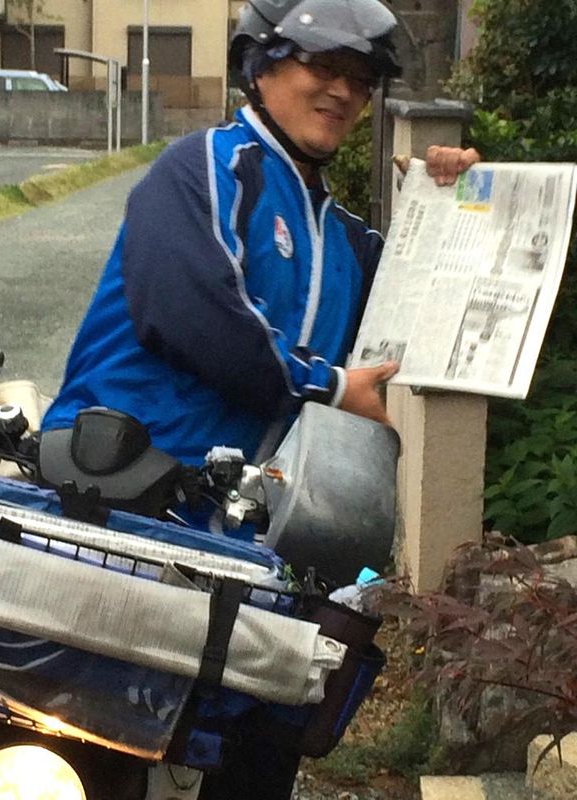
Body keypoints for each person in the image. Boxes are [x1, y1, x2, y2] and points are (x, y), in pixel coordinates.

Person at [43, 1, 479, 793]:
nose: (343, 91)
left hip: (247, 555)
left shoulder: (344, 239)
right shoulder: (204, 169)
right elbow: (194, 316)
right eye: (324, 67)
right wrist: (330, 386)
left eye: (361, 79)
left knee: (251, 769)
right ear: (262, 65)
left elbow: (431, 300)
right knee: (85, 761)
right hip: (119, 515)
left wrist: (451, 200)